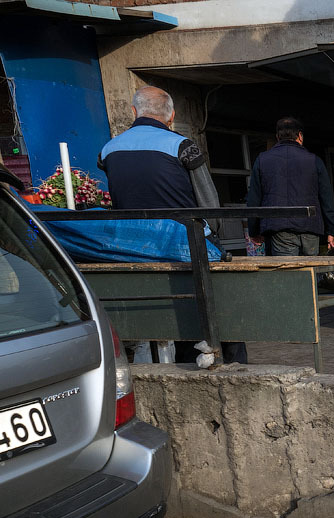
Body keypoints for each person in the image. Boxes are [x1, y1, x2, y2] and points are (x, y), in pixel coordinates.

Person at [98, 86, 246, 364]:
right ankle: (229, 363)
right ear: (171, 116)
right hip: (185, 243)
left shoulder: (108, 150)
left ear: (133, 112)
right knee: (221, 310)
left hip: (134, 247)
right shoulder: (182, 146)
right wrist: (213, 233)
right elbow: (208, 201)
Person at [245, 117, 334, 256]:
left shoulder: (263, 160)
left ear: (278, 137)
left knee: (288, 275)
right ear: (300, 136)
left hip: (280, 229)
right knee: (310, 273)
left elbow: (254, 199)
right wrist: (333, 230)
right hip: (310, 228)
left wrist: (254, 231)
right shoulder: (314, 160)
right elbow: (327, 198)